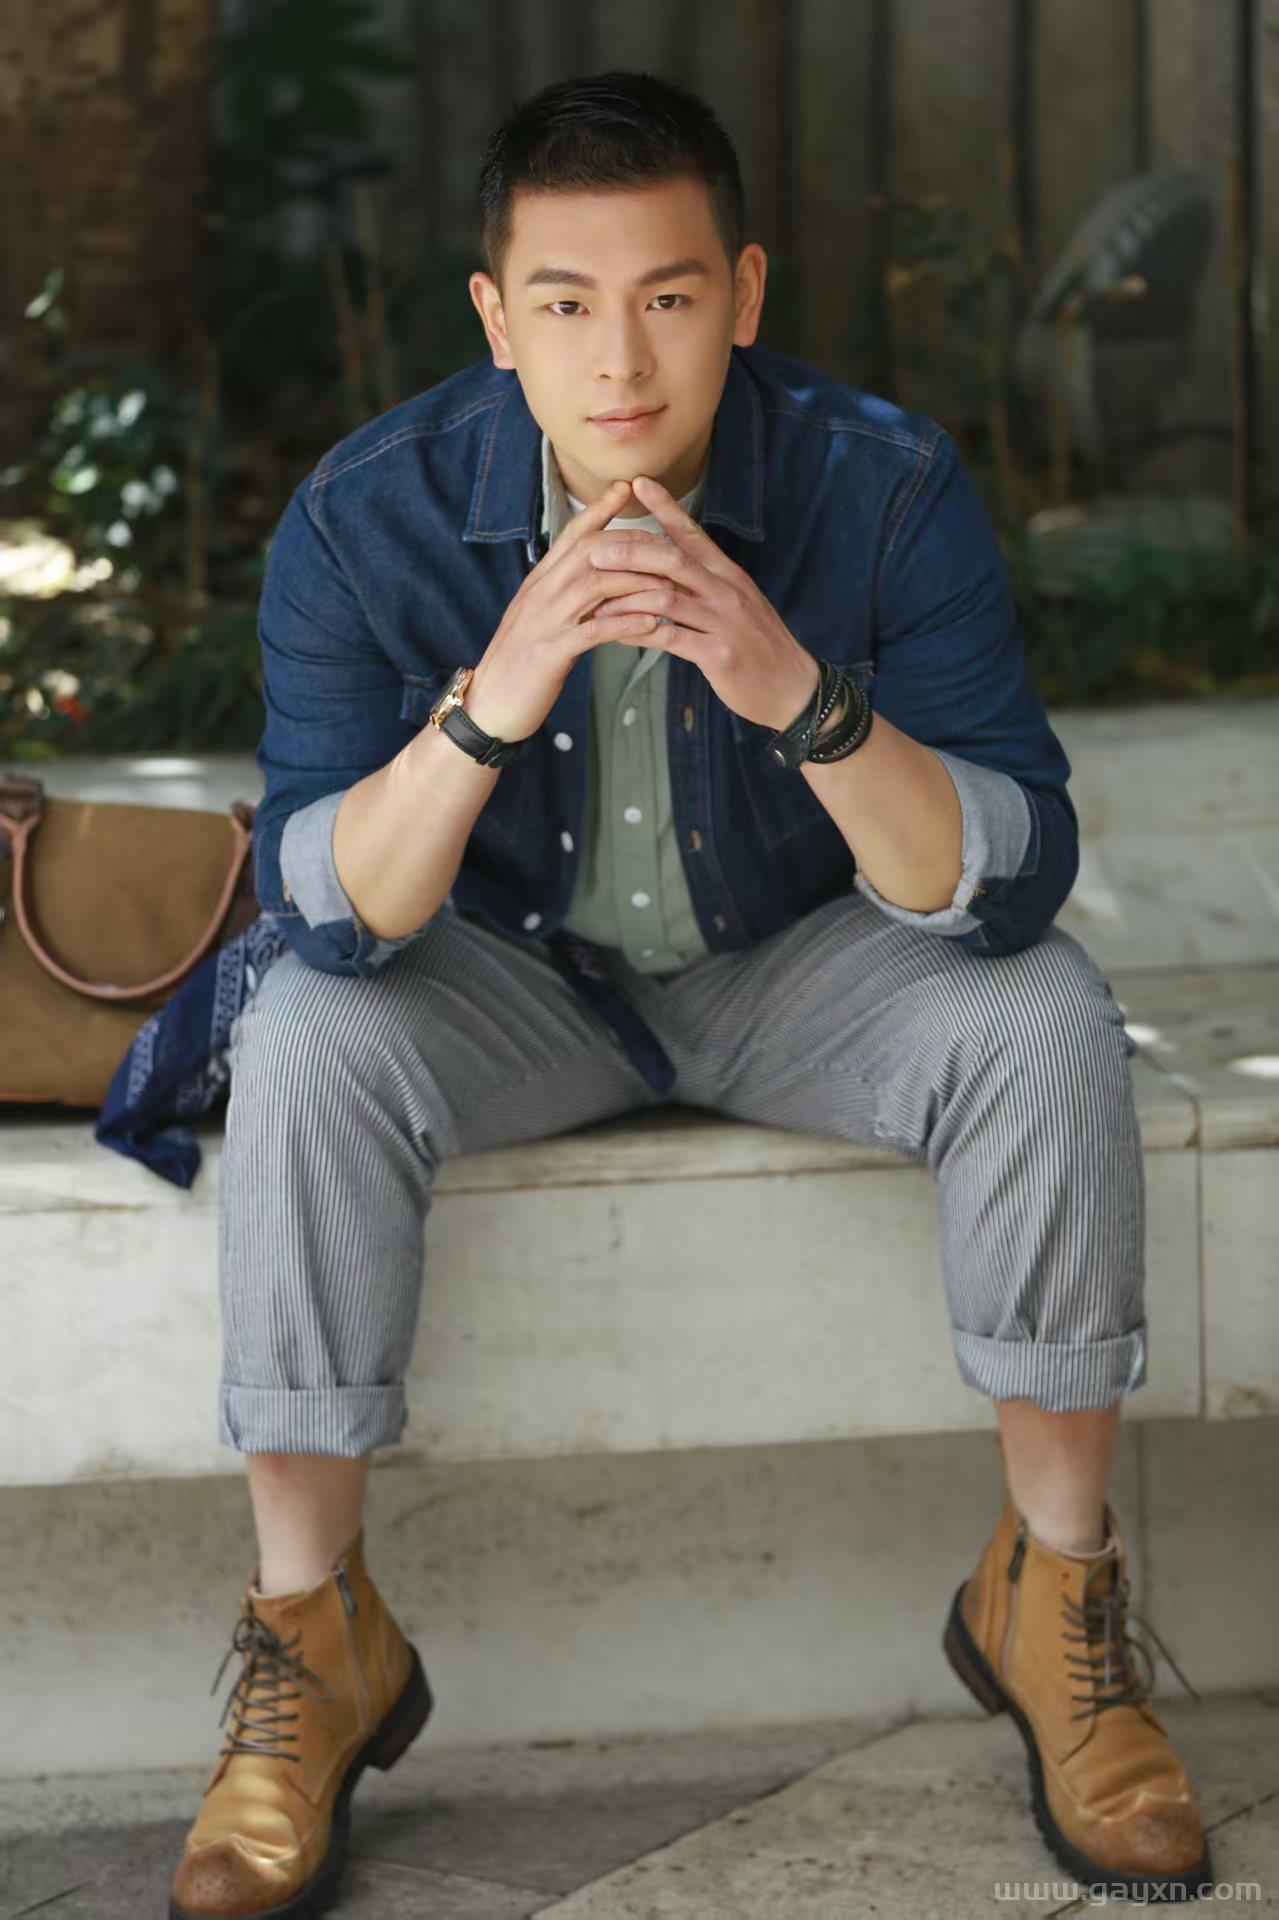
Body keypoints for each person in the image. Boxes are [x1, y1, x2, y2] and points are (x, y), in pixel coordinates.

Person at [168, 68, 1211, 1920]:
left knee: (1041, 1008)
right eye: (565, 303)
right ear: (496, 318)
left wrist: (798, 692)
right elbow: (333, 920)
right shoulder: (365, 515)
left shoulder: (881, 482)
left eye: (666, 294)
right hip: (505, 979)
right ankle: (311, 1638)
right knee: (307, 1034)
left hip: (801, 967)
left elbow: (1010, 874)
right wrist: (494, 696)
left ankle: (1053, 1595)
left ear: (743, 290)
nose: (622, 358)